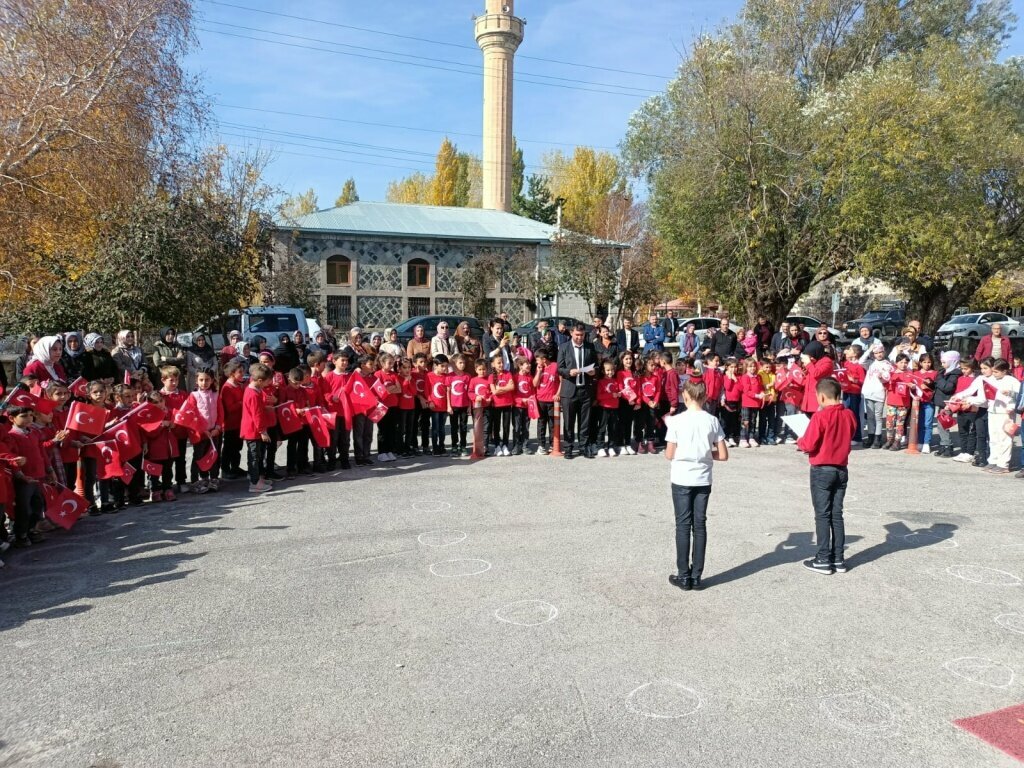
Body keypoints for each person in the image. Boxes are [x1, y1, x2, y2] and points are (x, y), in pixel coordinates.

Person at [665, 379, 728, 592]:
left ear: (685, 396)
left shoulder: (676, 421)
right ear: (705, 397)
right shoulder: (712, 420)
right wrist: (704, 453)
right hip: (702, 478)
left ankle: (684, 575)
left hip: (682, 476)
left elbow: (669, 454)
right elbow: (724, 454)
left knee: (683, 524)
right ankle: (697, 576)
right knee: (699, 524)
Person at [797, 378, 858, 575]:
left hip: (822, 469)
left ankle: (823, 558)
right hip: (841, 469)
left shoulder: (820, 417)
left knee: (822, 514)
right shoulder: (849, 414)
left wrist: (800, 440)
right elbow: (850, 433)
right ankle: (838, 558)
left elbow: (808, 444)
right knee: (837, 514)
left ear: (821, 396)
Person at [240, 363, 273, 492]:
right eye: (266, 382)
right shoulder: (253, 393)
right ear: (259, 381)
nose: (267, 384)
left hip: (255, 429)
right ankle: (254, 483)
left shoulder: (255, 390)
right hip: (253, 430)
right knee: (254, 456)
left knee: (257, 455)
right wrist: (262, 431)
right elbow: (256, 414)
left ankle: (258, 478)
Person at [932, 351, 962, 458]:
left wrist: (938, 379)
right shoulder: (944, 372)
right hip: (941, 402)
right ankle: (943, 444)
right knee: (940, 425)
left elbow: (948, 387)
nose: (942, 364)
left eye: (944, 362)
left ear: (952, 361)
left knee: (944, 425)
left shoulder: (955, 374)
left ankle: (947, 446)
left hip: (948, 403)